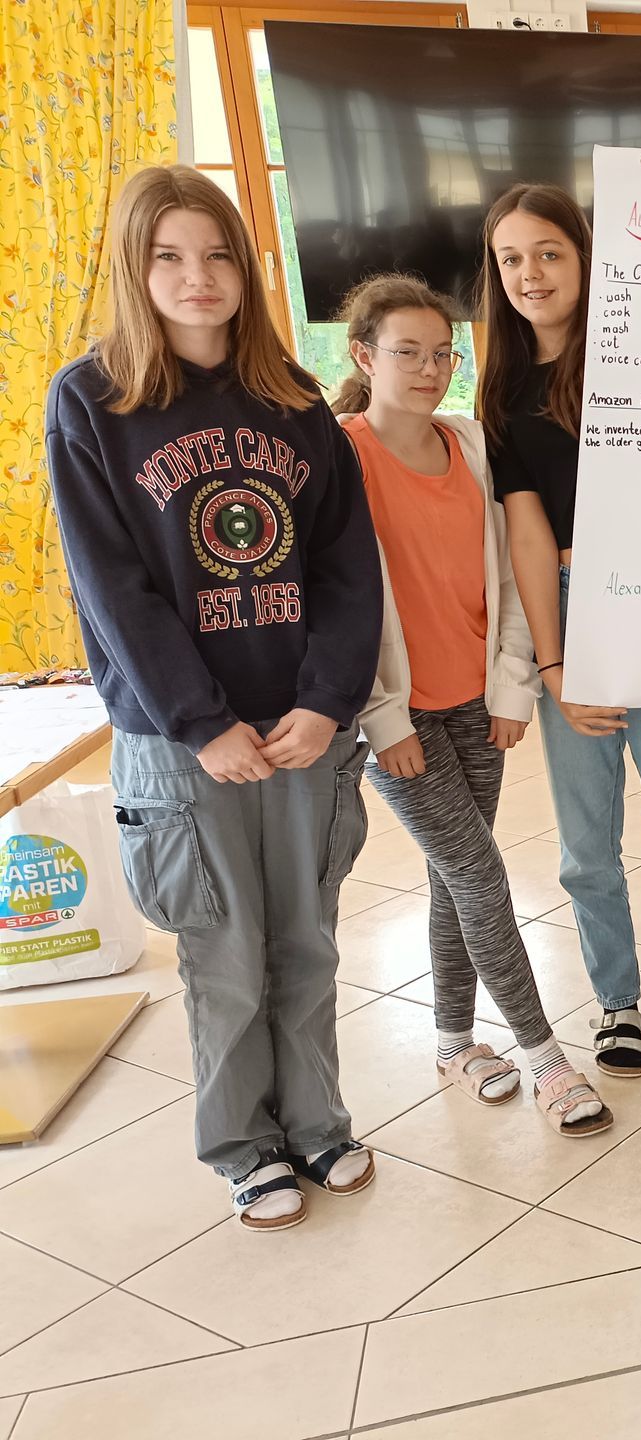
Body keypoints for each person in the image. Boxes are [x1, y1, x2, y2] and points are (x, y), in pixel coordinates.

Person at [43, 164, 382, 1230]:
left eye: (218, 254)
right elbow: (111, 587)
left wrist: (327, 700)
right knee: (223, 952)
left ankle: (318, 1122)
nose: (198, 276)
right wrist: (200, 721)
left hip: (300, 729)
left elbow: (345, 564)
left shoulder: (295, 397)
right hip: (183, 738)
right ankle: (245, 1145)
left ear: (246, 266)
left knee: (307, 938)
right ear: (134, 268)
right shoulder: (91, 401)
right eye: (169, 256)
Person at [478, 138, 641, 1078]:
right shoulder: (502, 392)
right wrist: (555, 667)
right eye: (511, 258)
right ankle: (616, 1003)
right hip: (570, 609)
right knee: (586, 843)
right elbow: (527, 536)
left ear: (588, 256)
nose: (530, 273)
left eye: (549, 251)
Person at [334, 273, 612, 1137]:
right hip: (399, 716)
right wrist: (382, 721)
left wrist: (513, 684)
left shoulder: (471, 446)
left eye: (442, 354)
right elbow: (333, 601)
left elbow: (512, 581)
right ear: (364, 356)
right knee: (482, 877)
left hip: (475, 703)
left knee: (454, 878)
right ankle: (546, 1058)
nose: (429, 369)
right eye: (407, 352)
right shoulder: (339, 455)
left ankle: (454, 1043)